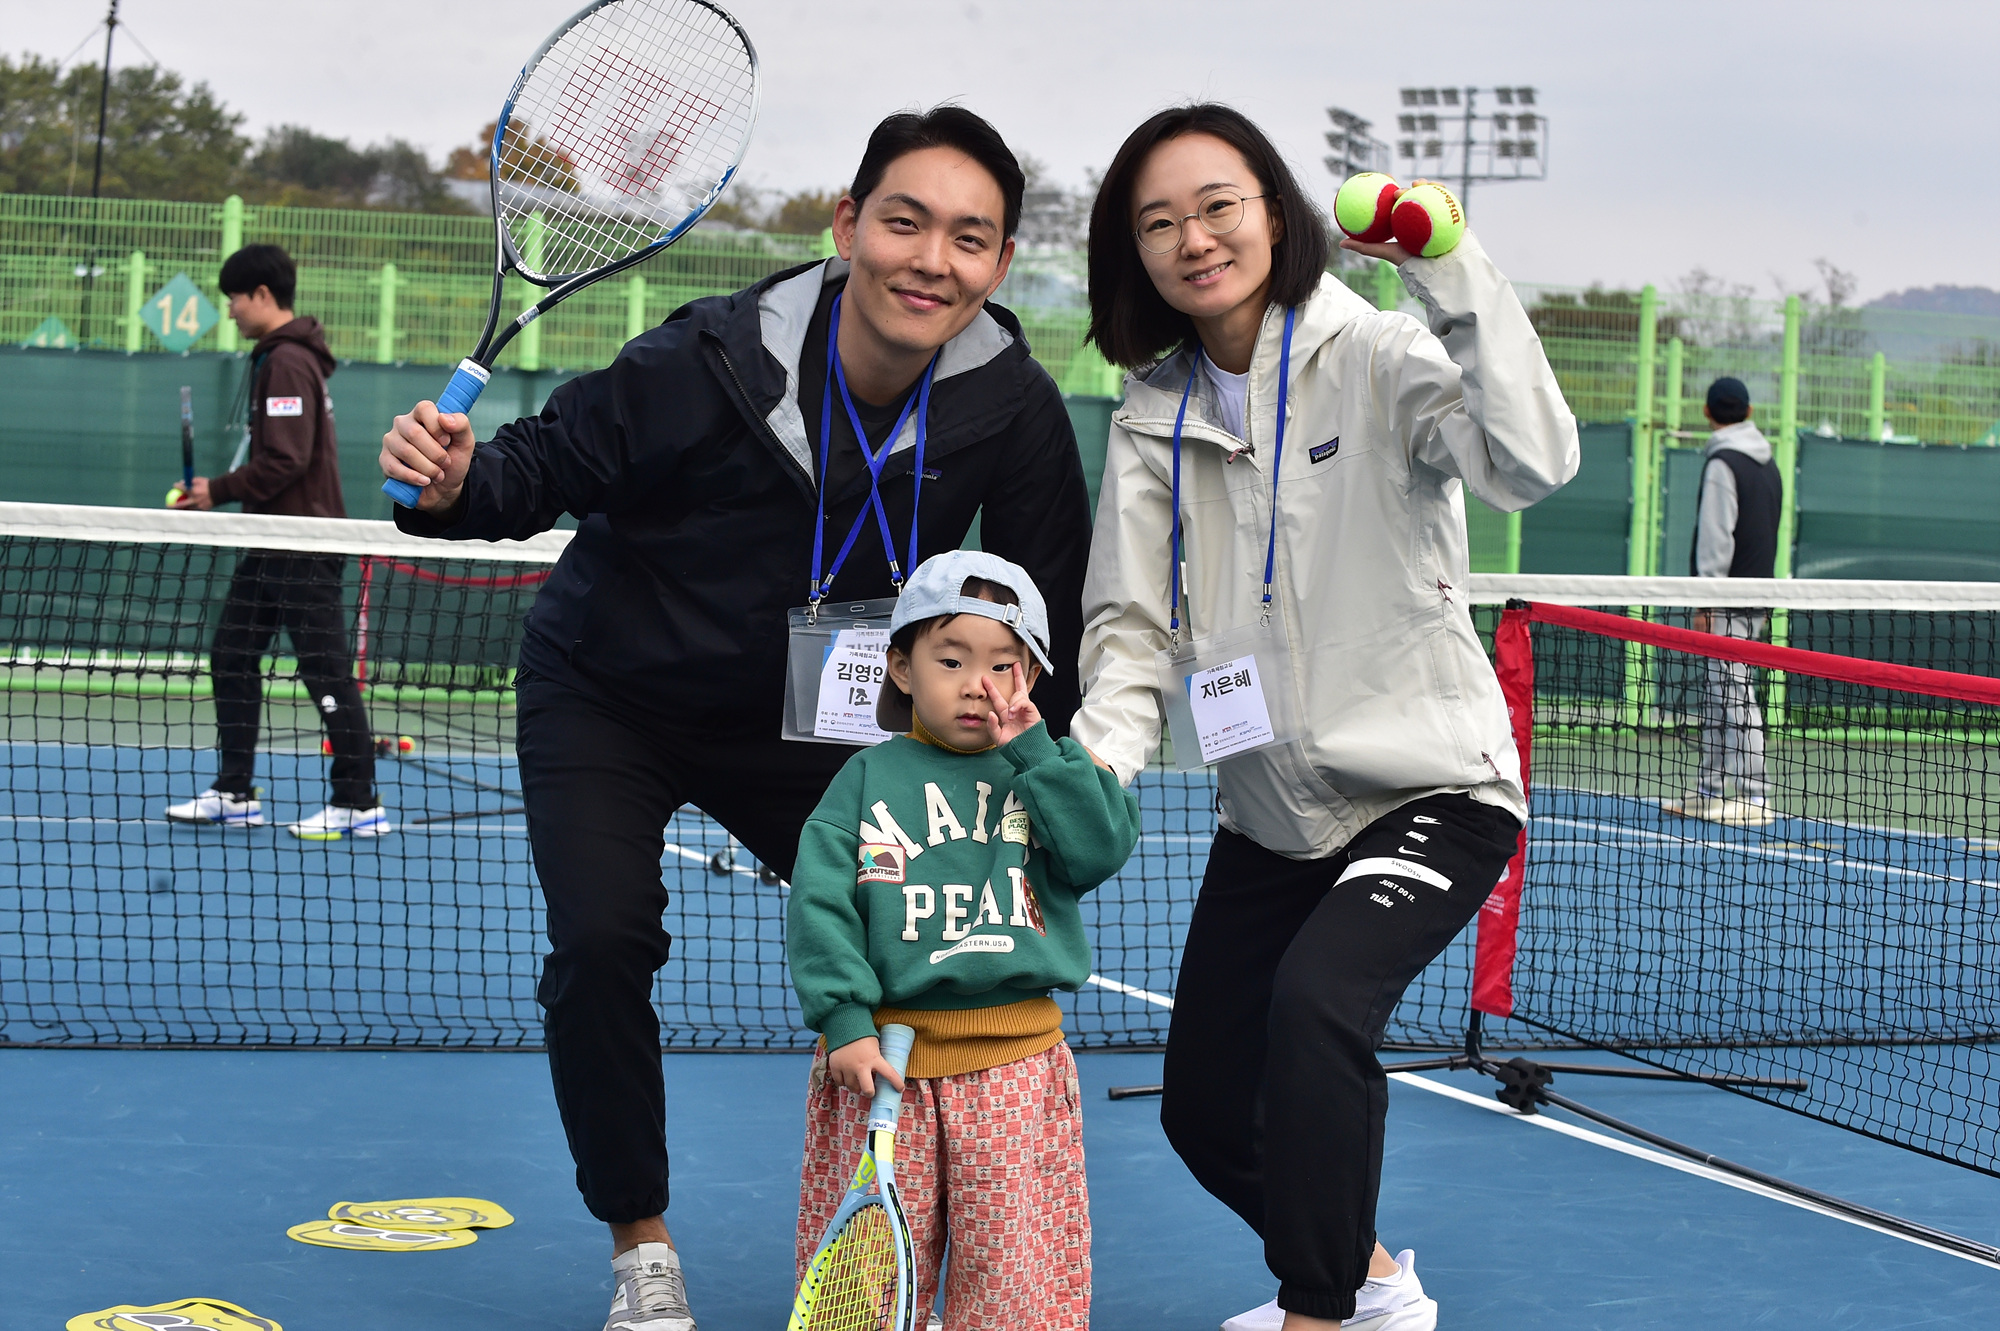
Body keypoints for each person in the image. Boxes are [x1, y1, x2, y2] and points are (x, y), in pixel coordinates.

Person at [379, 107, 1092, 1331]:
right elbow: (535, 468)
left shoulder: (1009, 404)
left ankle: (927, 1231)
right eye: (905, 221)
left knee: (915, 933)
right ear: (847, 226)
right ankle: (640, 1248)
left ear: (1000, 262)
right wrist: (449, 485)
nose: (931, 260)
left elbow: (1045, 611)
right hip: (611, 689)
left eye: (969, 238)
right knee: (603, 942)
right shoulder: (706, 358)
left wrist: (1031, 791)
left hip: (810, 718)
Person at [1070, 105, 1579, 1331]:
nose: (1193, 238)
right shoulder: (1148, 416)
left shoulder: (1377, 352)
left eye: (1217, 205)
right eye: (1157, 222)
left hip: (1427, 785)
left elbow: (1529, 462)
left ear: (1274, 212)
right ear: (1132, 254)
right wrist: (1091, 774)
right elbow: (1129, 628)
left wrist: (1448, 265)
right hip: (1271, 815)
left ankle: (1317, 1314)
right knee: (1204, 1109)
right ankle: (1371, 1283)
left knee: (1315, 1007)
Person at [787, 549, 1137, 1331]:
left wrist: (1039, 752)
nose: (979, 683)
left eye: (1004, 664)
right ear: (902, 668)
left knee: (1014, 1283)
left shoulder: (1051, 770)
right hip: (883, 1070)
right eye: (952, 660)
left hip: (1017, 1069)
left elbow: (1099, 849)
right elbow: (822, 904)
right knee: (870, 1287)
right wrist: (844, 1018)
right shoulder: (865, 780)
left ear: (1031, 676)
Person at [163, 243, 389, 841]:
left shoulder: (287, 362)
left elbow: (286, 459)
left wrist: (216, 490)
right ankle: (235, 791)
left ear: (261, 295)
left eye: (234, 298)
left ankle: (358, 802)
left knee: (325, 672)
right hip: (271, 541)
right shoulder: (282, 358)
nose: (230, 310)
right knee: (232, 654)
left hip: (301, 543)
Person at [1664, 376, 1783, 828]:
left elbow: (1716, 538)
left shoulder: (1722, 464)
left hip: (1728, 602)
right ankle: (1710, 791)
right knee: (1720, 695)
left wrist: (1706, 599)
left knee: (1734, 695)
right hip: (1755, 598)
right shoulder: (1768, 465)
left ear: (1707, 413)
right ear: (1749, 412)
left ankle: (1755, 795)